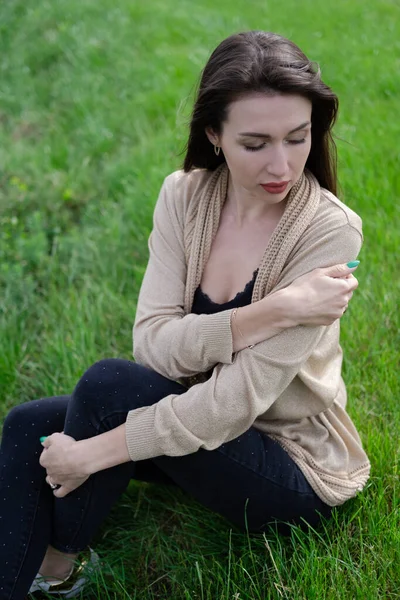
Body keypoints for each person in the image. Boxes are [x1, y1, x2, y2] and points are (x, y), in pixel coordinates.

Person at [0, 30, 370, 600]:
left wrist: (87, 456)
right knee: (27, 425)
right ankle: (37, 577)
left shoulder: (327, 230)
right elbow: (152, 344)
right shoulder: (183, 195)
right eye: (255, 144)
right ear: (214, 135)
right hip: (191, 423)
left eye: (298, 138)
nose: (283, 164)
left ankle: (59, 562)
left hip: (288, 468)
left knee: (107, 388)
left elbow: (230, 405)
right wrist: (271, 311)